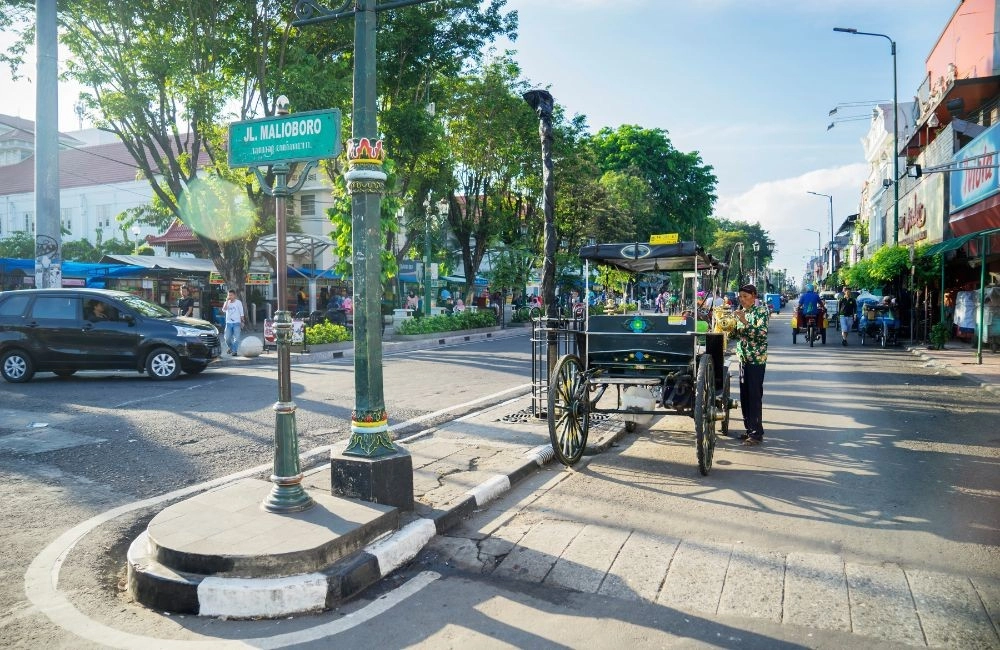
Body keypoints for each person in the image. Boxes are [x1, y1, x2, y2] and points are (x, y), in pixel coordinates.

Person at [733, 283, 769, 446]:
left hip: (756, 359)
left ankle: (756, 433)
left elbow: (761, 334)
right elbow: (736, 334)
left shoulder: (761, 311)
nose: (743, 300)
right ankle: (749, 429)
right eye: (740, 297)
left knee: (754, 395)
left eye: (746, 297)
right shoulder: (742, 312)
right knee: (745, 395)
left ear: (754, 296)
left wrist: (744, 321)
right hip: (743, 358)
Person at [222, 289, 246, 356]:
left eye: (231, 295)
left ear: (234, 295)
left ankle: (234, 351)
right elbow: (224, 310)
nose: (230, 296)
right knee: (227, 339)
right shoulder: (227, 302)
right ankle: (231, 348)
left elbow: (241, 313)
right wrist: (227, 301)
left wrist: (242, 322)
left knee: (237, 338)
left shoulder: (238, 302)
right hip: (228, 323)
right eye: (228, 295)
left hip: (236, 323)